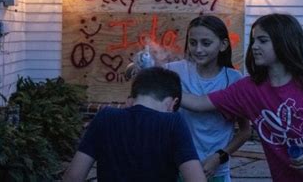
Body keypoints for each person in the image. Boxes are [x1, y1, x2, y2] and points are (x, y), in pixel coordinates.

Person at [181, 13, 303, 182]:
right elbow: (199, 103)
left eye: (262, 40)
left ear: (284, 42)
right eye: (254, 40)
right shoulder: (248, 89)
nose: (254, 46)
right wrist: (159, 87)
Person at [63, 67, 207, 182]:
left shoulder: (105, 117)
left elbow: (73, 177)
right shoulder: (173, 122)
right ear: (173, 103)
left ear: (133, 97)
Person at [164, 15, 252, 182]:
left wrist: (219, 157)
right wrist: (138, 66)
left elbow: (245, 131)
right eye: (192, 42)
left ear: (223, 45)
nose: (198, 49)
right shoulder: (175, 71)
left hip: (214, 171)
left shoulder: (234, 79)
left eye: (206, 43)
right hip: (177, 167)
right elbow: (136, 71)